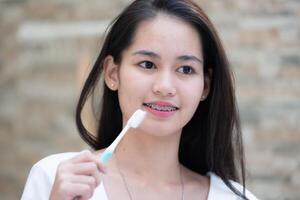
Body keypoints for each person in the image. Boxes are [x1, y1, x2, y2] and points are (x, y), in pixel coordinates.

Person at [22, 0, 259, 199]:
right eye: (147, 64)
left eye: (186, 69)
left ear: (205, 86)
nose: (165, 87)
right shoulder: (55, 179)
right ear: (113, 74)